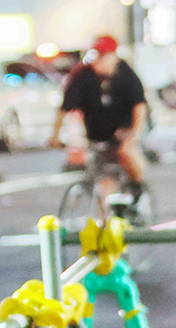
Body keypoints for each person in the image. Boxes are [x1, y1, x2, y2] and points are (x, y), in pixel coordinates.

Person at [49, 36, 148, 212]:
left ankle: (137, 188)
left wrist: (133, 135)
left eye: (104, 55)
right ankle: (107, 220)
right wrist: (55, 136)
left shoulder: (126, 75)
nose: (99, 60)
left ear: (114, 56)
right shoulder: (82, 75)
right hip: (96, 133)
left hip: (123, 130)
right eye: (97, 54)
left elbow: (139, 107)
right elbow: (64, 108)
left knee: (127, 152)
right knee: (105, 179)